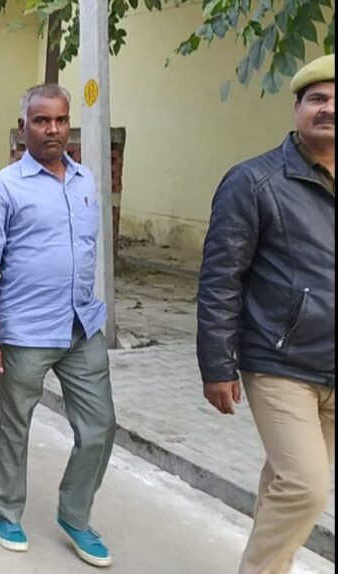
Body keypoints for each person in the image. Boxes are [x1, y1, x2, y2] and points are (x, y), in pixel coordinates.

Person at [0, 84, 116, 568]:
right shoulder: (4, 188)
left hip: (81, 325)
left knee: (100, 427)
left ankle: (75, 514)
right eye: (41, 120)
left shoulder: (85, 180)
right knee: (15, 426)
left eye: (60, 120)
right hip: (25, 331)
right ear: (23, 127)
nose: (53, 129)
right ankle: (5, 510)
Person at [197, 54, 334, 574]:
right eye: (318, 99)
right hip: (280, 360)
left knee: (284, 481)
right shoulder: (254, 182)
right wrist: (217, 365)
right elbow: (220, 278)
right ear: (297, 108)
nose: (328, 109)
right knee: (306, 486)